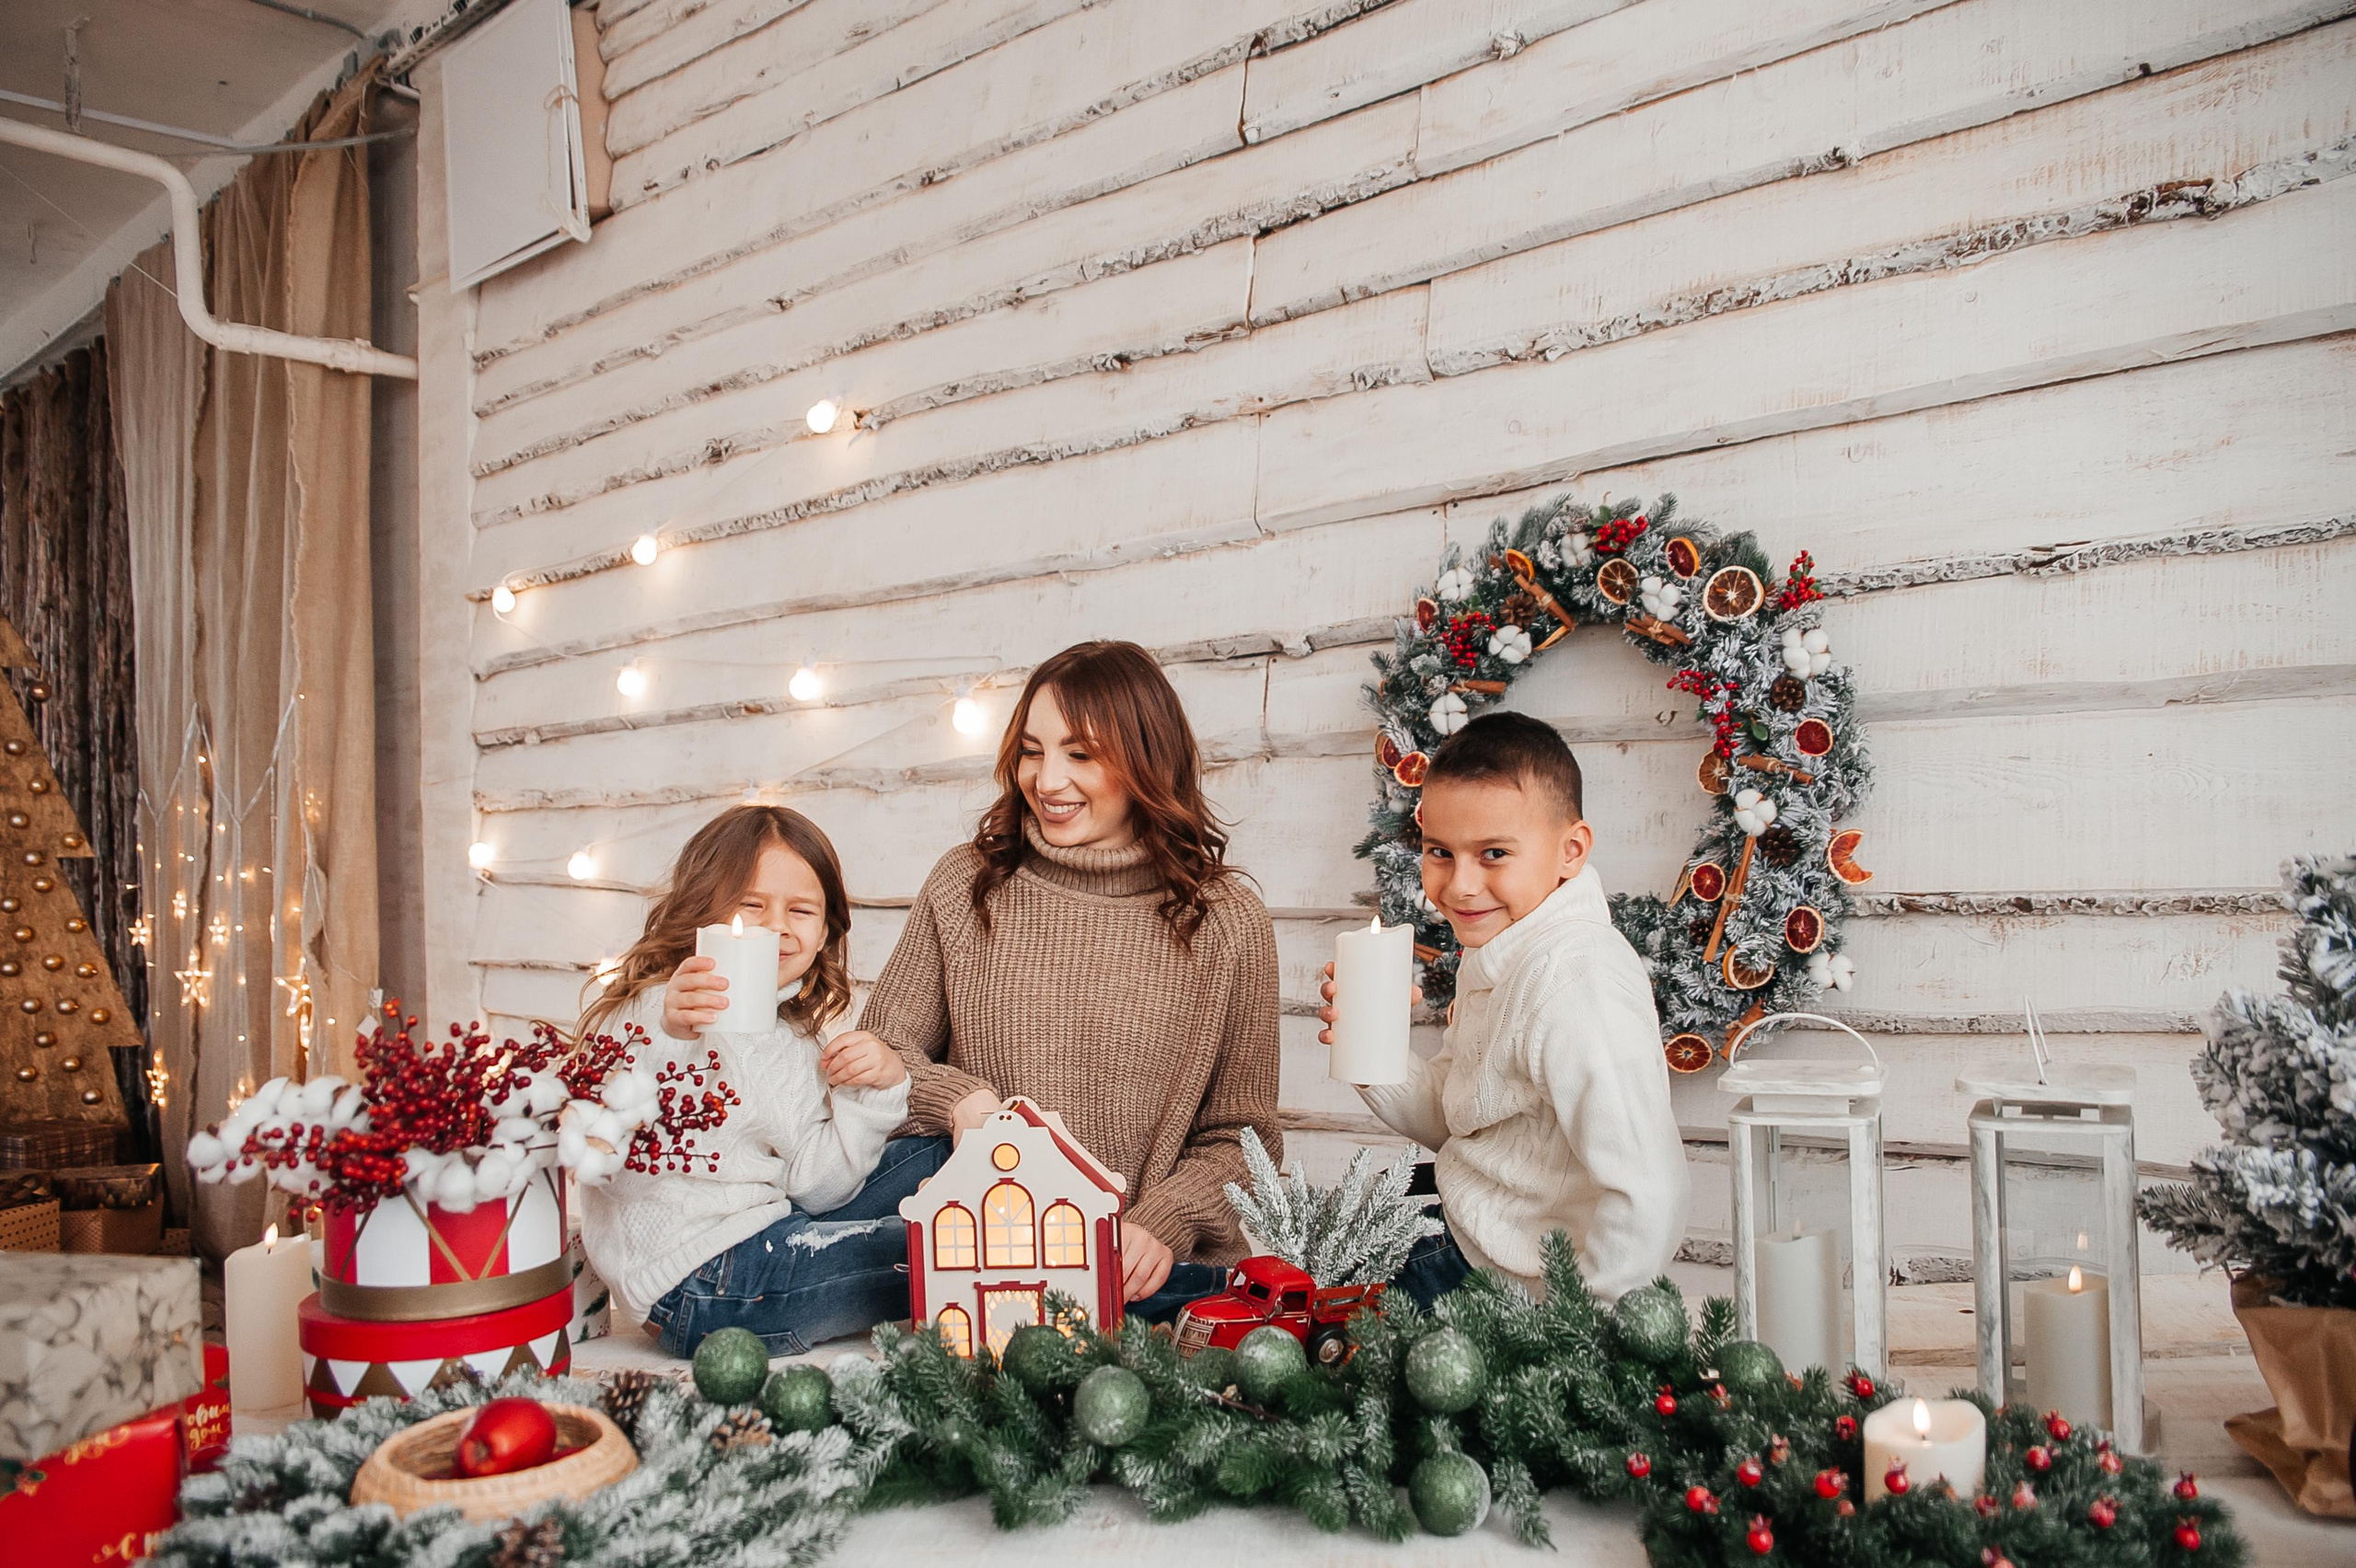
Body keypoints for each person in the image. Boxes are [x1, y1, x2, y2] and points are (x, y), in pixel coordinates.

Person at [860, 640, 1282, 1320]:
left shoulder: (1227, 920)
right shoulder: (966, 885)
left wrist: (1163, 1223)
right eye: (1032, 751)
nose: (1048, 780)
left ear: (1147, 760)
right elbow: (876, 1058)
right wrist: (958, 1100)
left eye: (1081, 754)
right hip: (982, 1274)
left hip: (1153, 1286)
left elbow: (1244, 1141)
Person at [1320, 711, 1687, 1305]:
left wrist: (1581, 1330)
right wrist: (1371, 1046)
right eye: (1440, 852)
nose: (1460, 885)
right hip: (1464, 1226)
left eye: (1493, 853)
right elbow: (1457, 1118)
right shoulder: (1503, 948)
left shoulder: (1577, 979)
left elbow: (1650, 1192)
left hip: (1505, 1283)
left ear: (1571, 851)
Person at [576, 804, 947, 1355]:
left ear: (824, 933)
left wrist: (877, 1091)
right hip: (700, 1283)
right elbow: (602, 1156)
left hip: (774, 1232)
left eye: (801, 910)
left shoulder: (793, 1039)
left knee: (938, 1153)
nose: (777, 926)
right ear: (702, 911)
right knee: (939, 1246)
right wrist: (667, 1034)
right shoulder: (652, 1009)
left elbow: (816, 1188)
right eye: (752, 905)